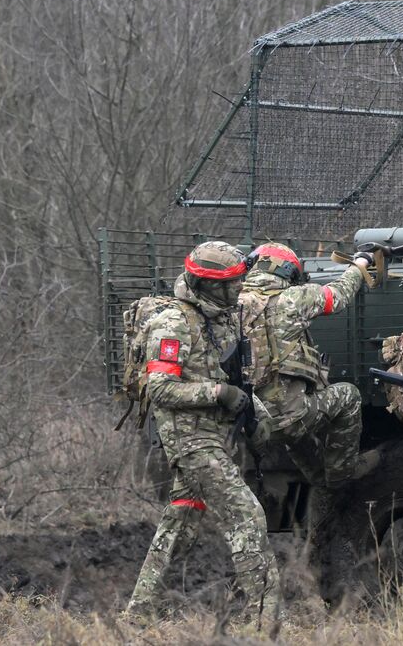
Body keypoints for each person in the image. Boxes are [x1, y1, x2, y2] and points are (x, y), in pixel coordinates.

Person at [125, 241, 282, 630]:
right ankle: (265, 623)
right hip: (190, 440)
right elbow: (160, 388)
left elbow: (228, 376)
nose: (238, 290)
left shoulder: (222, 317)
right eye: (231, 284)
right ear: (209, 285)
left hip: (212, 434)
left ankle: (139, 615)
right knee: (246, 515)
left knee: (180, 523)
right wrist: (217, 394)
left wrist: (253, 410)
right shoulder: (172, 323)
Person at [238, 243, 381, 498]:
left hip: (249, 424)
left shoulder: (231, 306)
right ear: (287, 272)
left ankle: (318, 478)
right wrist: (359, 266)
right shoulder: (294, 299)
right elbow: (338, 294)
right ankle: (340, 476)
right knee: (348, 396)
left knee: (292, 423)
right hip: (290, 419)